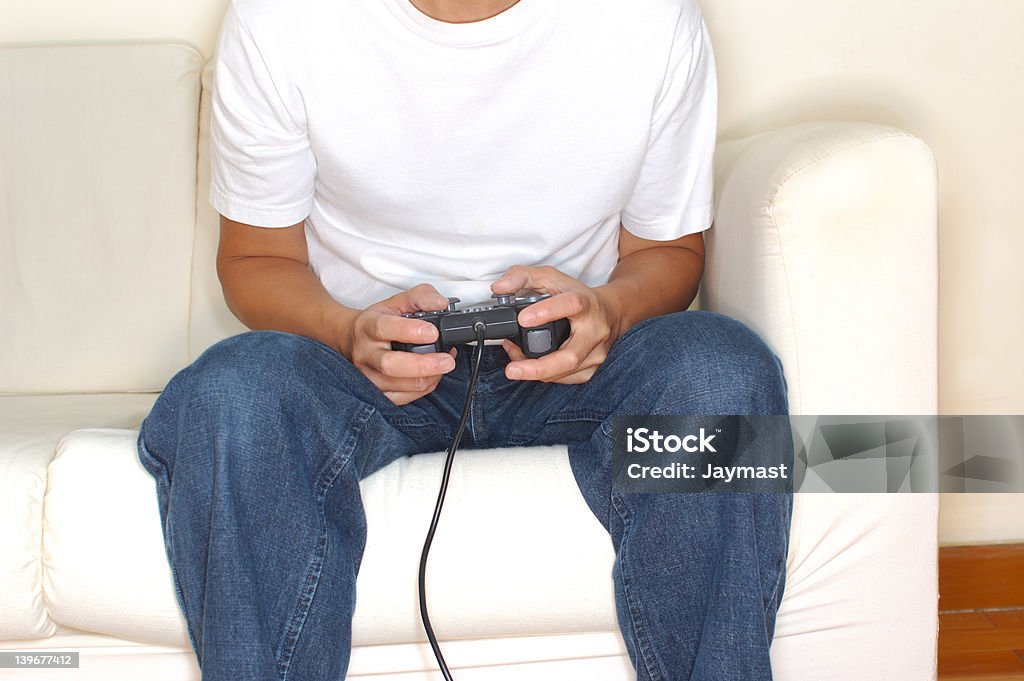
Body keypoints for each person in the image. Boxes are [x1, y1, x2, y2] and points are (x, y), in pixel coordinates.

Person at [137, 0, 793, 678]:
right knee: (231, 391)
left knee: (722, 370)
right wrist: (348, 330)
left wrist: (608, 311)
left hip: (572, 371)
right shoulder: (281, 18)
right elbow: (254, 262)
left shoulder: (651, 17)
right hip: (364, 372)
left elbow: (671, 250)